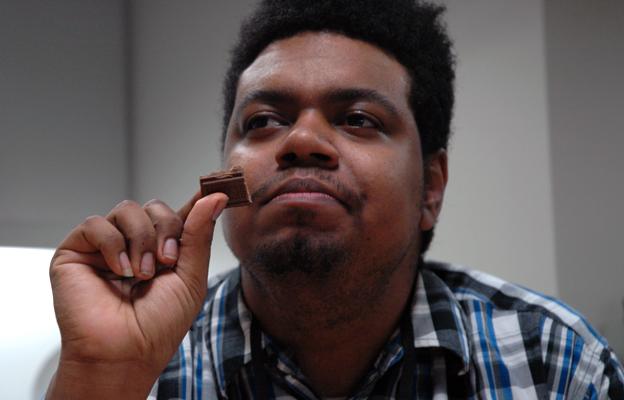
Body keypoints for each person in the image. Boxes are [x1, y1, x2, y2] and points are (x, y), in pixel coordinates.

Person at [46, 0, 623, 399]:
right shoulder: (140, 362)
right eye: (265, 120)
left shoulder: (553, 362)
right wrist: (100, 380)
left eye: (358, 119)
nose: (300, 141)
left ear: (431, 187)